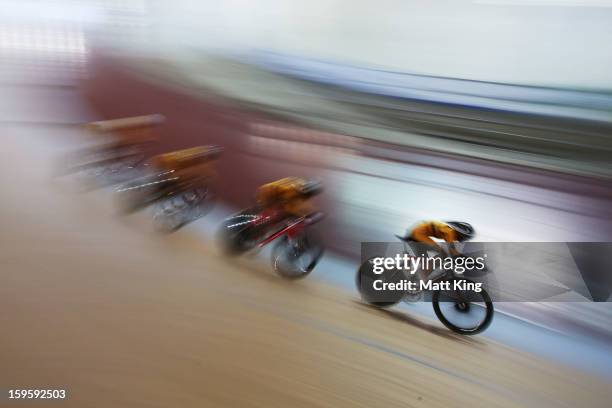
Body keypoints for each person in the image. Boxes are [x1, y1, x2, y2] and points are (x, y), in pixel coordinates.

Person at [255, 177, 323, 224]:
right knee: (274, 216)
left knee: (279, 215)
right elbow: (290, 206)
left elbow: (296, 206)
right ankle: (256, 224)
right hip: (266, 196)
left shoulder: (298, 186)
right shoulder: (293, 187)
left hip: (268, 194)